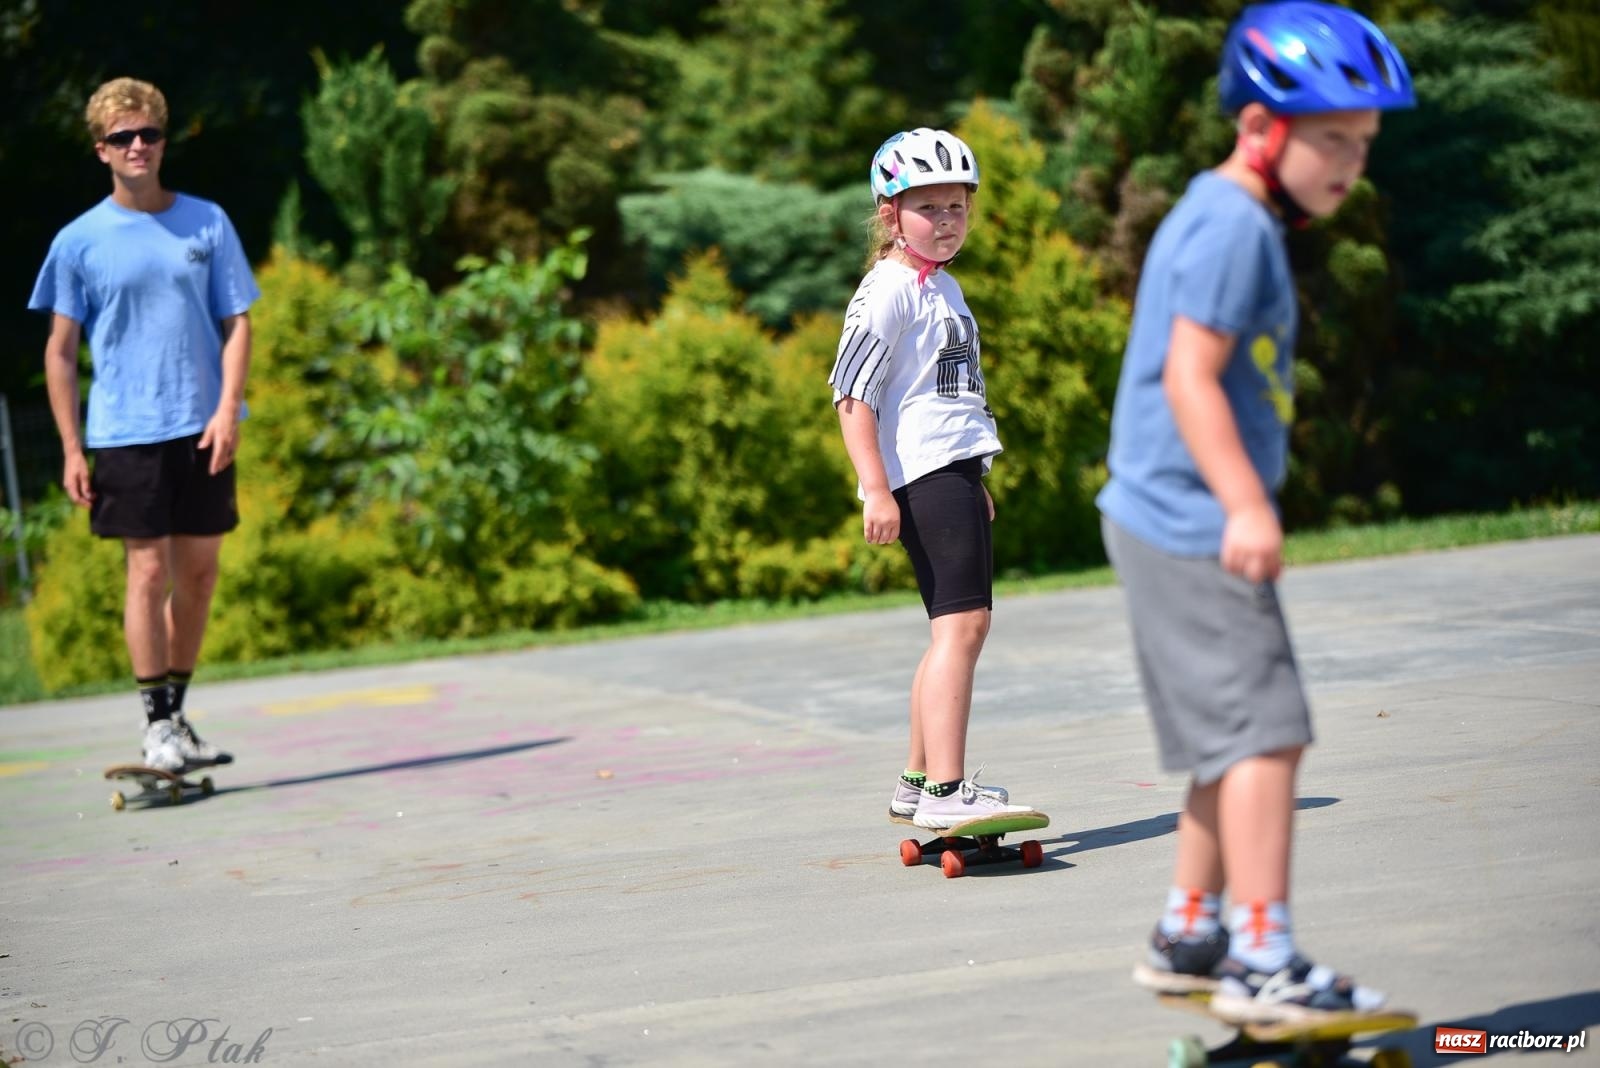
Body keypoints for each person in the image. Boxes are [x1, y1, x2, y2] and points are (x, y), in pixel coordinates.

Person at [1096, 2, 1417, 1024]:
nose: (1347, 164)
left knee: (1228, 741)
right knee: (1269, 736)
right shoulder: (1233, 225)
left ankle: (1191, 930)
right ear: (1257, 129)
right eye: (1330, 138)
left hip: (1162, 515)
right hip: (1190, 518)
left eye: (1361, 145)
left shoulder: (1225, 214)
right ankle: (1260, 959)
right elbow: (1191, 378)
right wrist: (1246, 506)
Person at [30, 78, 259, 773]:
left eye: (148, 134)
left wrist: (227, 409)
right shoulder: (79, 241)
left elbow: (238, 321)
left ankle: (179, 717)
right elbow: (61, 350)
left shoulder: (208, 222)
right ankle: (155, 724)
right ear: (102, 150)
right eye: (122, 137)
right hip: (126, 429)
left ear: (164, 141)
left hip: (202, 425)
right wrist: (71, 446)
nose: (137, 146)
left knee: (199, 575)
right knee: (148, 570)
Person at [829, 128, 1039, 831]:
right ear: (890, 215)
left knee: (948, 629)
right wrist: (876, 488)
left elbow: (941, 393)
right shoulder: (889, 289)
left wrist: (970, 472)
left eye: (958, 206)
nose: (948, 221)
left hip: (945, 471)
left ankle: (919, 781)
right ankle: (949, 794)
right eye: (930, 208)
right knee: (965, 626)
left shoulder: (939, 285)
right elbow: (852, 395)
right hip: (918, 474)